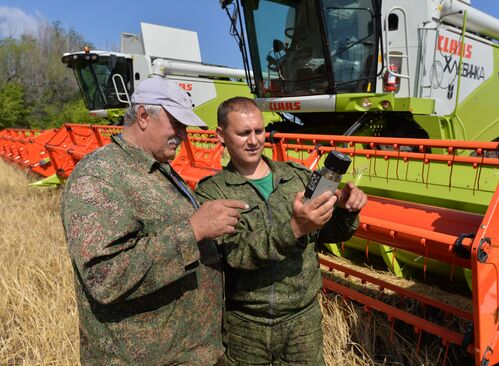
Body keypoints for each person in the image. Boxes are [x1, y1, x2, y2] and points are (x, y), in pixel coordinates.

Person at [61, 77, 247, 366]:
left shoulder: (157, 169)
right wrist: (194, 229)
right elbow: (106, 277)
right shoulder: (99, 176)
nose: (183, 135)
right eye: (177, 124)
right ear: (144, 116)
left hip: (190, 353)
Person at [195, 97, 368, 365]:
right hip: (247, 326)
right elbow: (236, 254)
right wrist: (295, 228)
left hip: (303, 322)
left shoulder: (296, 176)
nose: (254, 140)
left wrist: (346, 210)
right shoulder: (213, 192)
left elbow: (328, 234)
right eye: (243, 133)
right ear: (221, 135)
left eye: (259, 131)